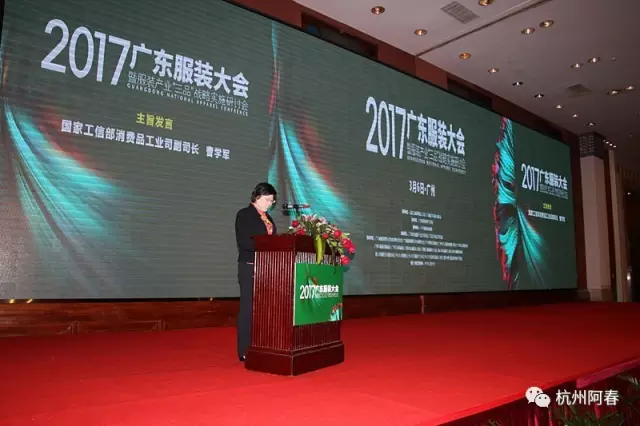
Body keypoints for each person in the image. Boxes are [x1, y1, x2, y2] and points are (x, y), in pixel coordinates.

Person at [234, 182, 278, 362]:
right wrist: (267, 247)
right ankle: (245, 349)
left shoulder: (268, 219)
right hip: (250, 265)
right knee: (248, 308)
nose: (270, 203)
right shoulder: (245, 215)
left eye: (272, 201)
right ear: (257, 196)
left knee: (264, 308)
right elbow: (244, 242)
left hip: (267, 267)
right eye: (267, 199)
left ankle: (262, 344)